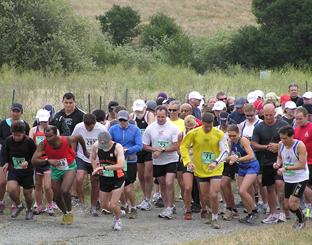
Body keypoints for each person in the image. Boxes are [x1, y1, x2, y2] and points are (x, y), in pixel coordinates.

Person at [180, 112, 229, 229]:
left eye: (210, 126)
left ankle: (215, 218)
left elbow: (225, 150)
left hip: (216, 168)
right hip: (200, 169)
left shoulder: (219, 133)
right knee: (205, 196)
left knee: (213, 194)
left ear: (213, 123)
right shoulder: (194, 133)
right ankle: (211, 212)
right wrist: (188, 161)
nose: (207, 128)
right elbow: (184, 146)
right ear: (202, 123)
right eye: (205, 126)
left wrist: (216, 161)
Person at [31, 125, 89, 225]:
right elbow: (33, 160)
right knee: (57, 196)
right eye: (46, 136)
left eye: (50, 136)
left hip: (69, 166)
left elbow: (79, 137)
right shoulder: (43, 144)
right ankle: (65, 213)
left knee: (64, 190)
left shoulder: (66, 139)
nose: (48, 139)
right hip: (55, 169)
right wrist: (48, 160)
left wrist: (84, 151)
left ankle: (70, 211)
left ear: (56, 134)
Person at [252, 103, 289, 224]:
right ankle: (273, 213)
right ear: (262, 114)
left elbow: (291, 141)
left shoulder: (283, 125)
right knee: (269, 188)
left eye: (270, 115)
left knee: (280, 185)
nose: (268, 117)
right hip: (266, 161)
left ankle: (284, 212)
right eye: (266, 115)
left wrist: (279, 146)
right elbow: (254, 144)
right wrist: (267, 147)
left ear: (275, 113)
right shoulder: (259, 127)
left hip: (282, 160)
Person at [143, 105, 180, 219]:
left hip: (171, 159)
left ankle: (169, 207)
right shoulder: (150, 128)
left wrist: (162, 150)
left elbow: (176, 145)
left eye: (162, 117)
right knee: (162, 184)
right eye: (158, 117)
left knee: (169, 182)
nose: (160, 119)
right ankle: (168, 205)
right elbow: (144, 145)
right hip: (158, 161)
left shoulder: (173, 128)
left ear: (166, 116)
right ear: (155, 115)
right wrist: (154, 149)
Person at [273, 125, 309, 230]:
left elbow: (302, 165)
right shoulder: (281, 144)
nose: (282, 140)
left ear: (292, 136)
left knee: (293, 203)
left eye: (285, 138)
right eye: (281, 138)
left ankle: (301, 221)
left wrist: (286, 168)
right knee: (287, 205)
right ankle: (303, 214)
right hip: (288, 178)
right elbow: (279, 157)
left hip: (301, 178)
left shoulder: (299, 146)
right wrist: (277, 163)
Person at [109, 110, 142, 219]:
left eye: (124, 120)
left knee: (128, 187)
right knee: (119, 186)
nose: (122, 122)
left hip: (130, 160)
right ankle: (124, 205)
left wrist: (127, 150)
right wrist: (117, 149)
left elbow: (139, 146)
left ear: (128, 119)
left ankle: (133, 207)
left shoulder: (135, 130)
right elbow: (109, 142)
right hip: (117, 161)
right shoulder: (113, 129)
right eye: (120, 120)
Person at [72, 113, 107, 216]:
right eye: (86, 126)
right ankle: (82, 204)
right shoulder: (79, 127)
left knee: (95, 182)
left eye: (90, 126)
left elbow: (106, 144)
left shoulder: (102, 129)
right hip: (82, 156)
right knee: (79, 179)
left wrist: (99, 156)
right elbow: (74, 139)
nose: (87, 128)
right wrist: (73, 152)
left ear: (94, 123)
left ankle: (93, 206)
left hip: (96, 159)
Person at [1, 121, 36, 220]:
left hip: (27, 171)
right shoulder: (8, 140)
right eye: (14, 135)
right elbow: (4, 152)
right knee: (11, 189)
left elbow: (36, 155)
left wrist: (28, 163)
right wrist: (6, 162)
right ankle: (19, 205)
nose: (16, 137)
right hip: (14, 169)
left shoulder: (29, 141)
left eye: (19, 135)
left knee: (27, 194)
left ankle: (29, 210)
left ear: (24, 133)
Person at [91, 131, 125, 231]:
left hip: (117, 178)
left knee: (113, 204)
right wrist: (95, 169)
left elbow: (121, 165)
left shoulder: (118, 147)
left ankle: (117, 219)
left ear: (110, 140)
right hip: (104, 178)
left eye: (105, 144)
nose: (103, 147)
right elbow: (93, 158)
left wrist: (104, 168)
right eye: (102, 145)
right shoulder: (96, 146)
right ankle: (118, 212)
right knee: (104, 206)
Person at [0, 103, 30, 214]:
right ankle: (1, 202)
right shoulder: (3, 123)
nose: (15, 113)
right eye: (13, 111)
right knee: (2, 181)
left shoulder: (25, 125)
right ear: (10, 111)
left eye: (17, 111)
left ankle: (15, 204)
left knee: (15, 180)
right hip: (4, 154)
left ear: (21, 112)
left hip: (18, 156)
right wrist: (8, 143)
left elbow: (26, 139)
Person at [227, 124, 260, 224]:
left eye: (234, 135)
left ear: (238, 133)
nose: (232, 138)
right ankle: (249, 214)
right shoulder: (230, 142)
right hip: (242, 167)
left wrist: (237, 159)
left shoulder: (243, 140)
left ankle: (255, 211)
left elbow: (251, 155)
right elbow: (229, 156)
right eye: (230, 136)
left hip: (251, 166)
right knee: (242, 193)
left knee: (242, 191)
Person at [130, 100, 155, 211]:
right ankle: (145, 198)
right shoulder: (132, 116)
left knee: (147, 175)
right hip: (138, 149)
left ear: (144, 109)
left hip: (148, 148)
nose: (138, 113)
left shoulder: (149, 115)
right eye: (136, 110)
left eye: (140, 110)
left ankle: (148, 198)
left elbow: (150, 129)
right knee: (140, 175)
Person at [29, 109, 55, 215]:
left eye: (45, 121)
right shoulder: (33, 130)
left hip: (48, 161)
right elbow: (30, 144)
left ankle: (50, 205)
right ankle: (39, 206)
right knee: (38, 185)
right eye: (42, 121)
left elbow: (56, 144)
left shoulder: (53, 130)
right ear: (38, 120)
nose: (44, 123)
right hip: (38, 161)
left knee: (47, 186)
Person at [178, 115, 198, 220]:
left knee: (201, 187)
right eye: (187, 127)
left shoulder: (199, 134)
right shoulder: (181, 134)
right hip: (187, 162)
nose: (189, 130)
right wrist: (185, 156)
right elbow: (179, 149)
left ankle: (204, 208)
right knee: (187, 187)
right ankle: (187, 208)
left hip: (199, 162)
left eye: (191, 128)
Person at [294, 107, 312, 215]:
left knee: (306, 187)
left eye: (300, 118)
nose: (298, 121)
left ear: (307, 117)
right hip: (302, 162)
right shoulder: (296, 130)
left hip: (310, 162)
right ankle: (309, 210)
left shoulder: (311, 128)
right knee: (306, 188)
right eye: (296, 119)